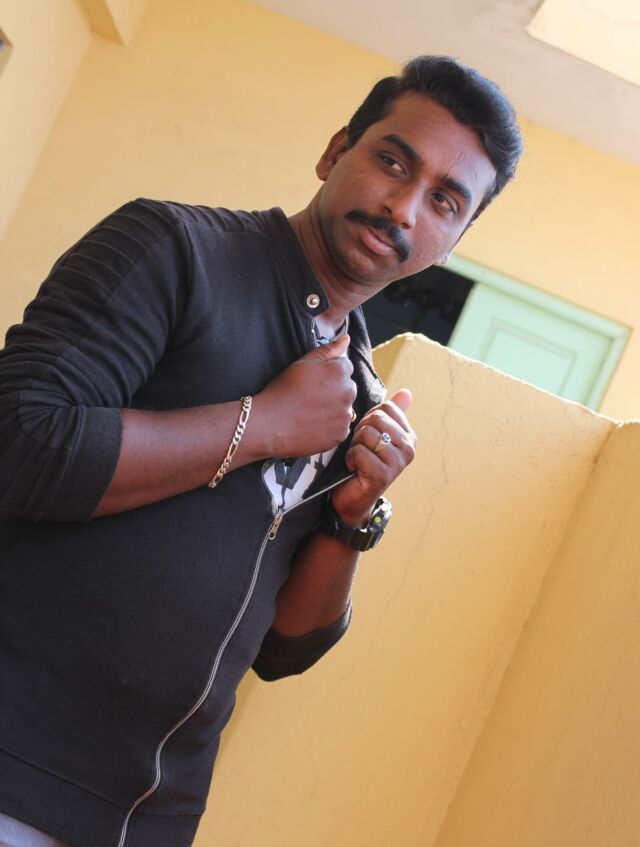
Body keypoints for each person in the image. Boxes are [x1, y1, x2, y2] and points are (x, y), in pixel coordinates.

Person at [0, 55, 522, 847]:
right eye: (392, 161)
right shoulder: (174, 249)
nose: (403, 206)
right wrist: (264, 424)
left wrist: (353, 516)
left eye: (444, 201)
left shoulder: (356, 394)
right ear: (335, 151)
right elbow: (22, 441)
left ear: (454, 240)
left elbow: (283, 649)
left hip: (147, 818)